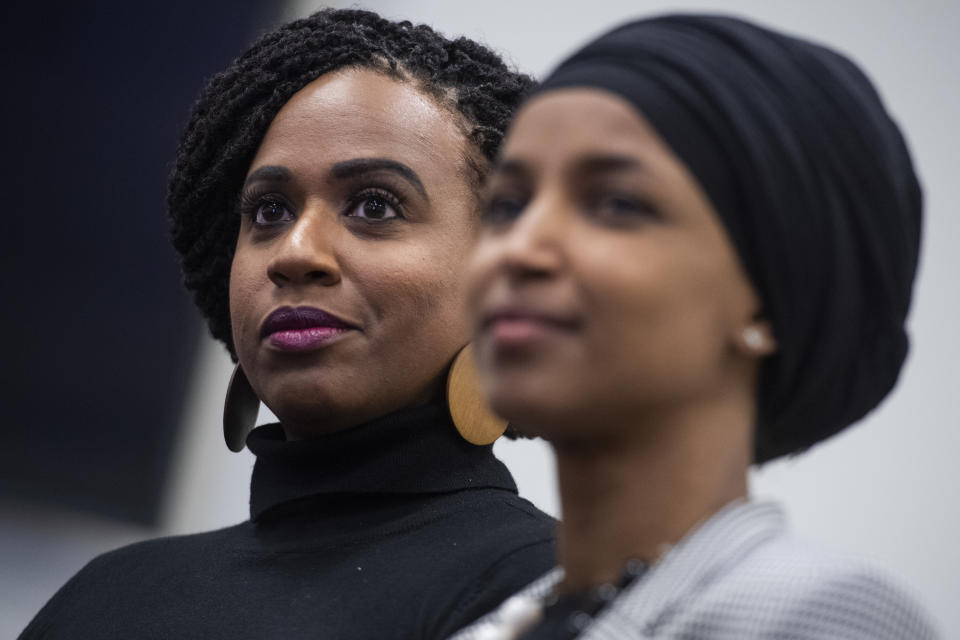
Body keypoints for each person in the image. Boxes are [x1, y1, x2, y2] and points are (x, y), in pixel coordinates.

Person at [19, 9, 554, 639]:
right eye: (269, 211)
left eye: (374, 205)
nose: (295, 251)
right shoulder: (103, 598)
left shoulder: (550, 593)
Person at [454, 14, 939, 640]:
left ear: (764, 298)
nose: (519, 249)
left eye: (617, 204)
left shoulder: (814, 615)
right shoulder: (505, 622)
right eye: (508, 206)